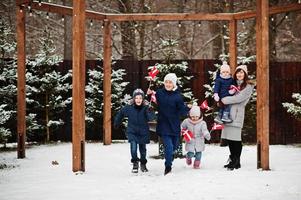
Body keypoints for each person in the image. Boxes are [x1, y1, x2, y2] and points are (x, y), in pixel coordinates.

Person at [147, 73, 190, 175]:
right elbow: (151, 98)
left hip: (174, 125)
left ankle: (170, 157)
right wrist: (149, 93)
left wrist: (187, 108)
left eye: (170, 82)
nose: (168, 84)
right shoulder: (160, 93)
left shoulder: (178, 96)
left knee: (174, 146)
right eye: (166, 82)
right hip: (164, 125)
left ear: (174, 84)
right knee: (168, 147)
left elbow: (182, 110)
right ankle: (168, 166)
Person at [220, 65, 254, 170]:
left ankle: (236, 161)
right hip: (228, 114)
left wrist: (224, 100)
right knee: (230, 139)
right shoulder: (232, 83)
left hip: (237, 114)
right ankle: (232, 159)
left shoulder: (248, 86)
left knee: (236, 139)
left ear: (245, 74)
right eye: (238, 72)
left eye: (242, 72)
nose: (239, 74)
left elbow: (239, 98)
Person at [114, 88, 156, 173]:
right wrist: (117, 122)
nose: (138, 100)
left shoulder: (146, 107)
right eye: (136, 98)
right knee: (133, 148)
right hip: (132, 131)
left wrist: (150, 111)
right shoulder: (129, 107)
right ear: (134, 98)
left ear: (143, 99)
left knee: (143, 150)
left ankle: (143, 164)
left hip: (143, 132)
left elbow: (151, 118)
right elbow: (121, 114)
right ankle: (135, 163)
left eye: (140, 98)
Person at [181, 104, 210, 169]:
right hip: (190, 139)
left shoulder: (202, 123)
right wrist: (182, 132)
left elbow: (204, 130)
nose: (194, 118)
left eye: (196, 116)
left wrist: (206, 134)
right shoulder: (186, 121)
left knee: (198, 154)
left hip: (199, 140)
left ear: (199, 116)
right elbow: (182, 127)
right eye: (193, 116)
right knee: (191, 153)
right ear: (190, 115)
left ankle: (196, 165)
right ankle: (188, 157)